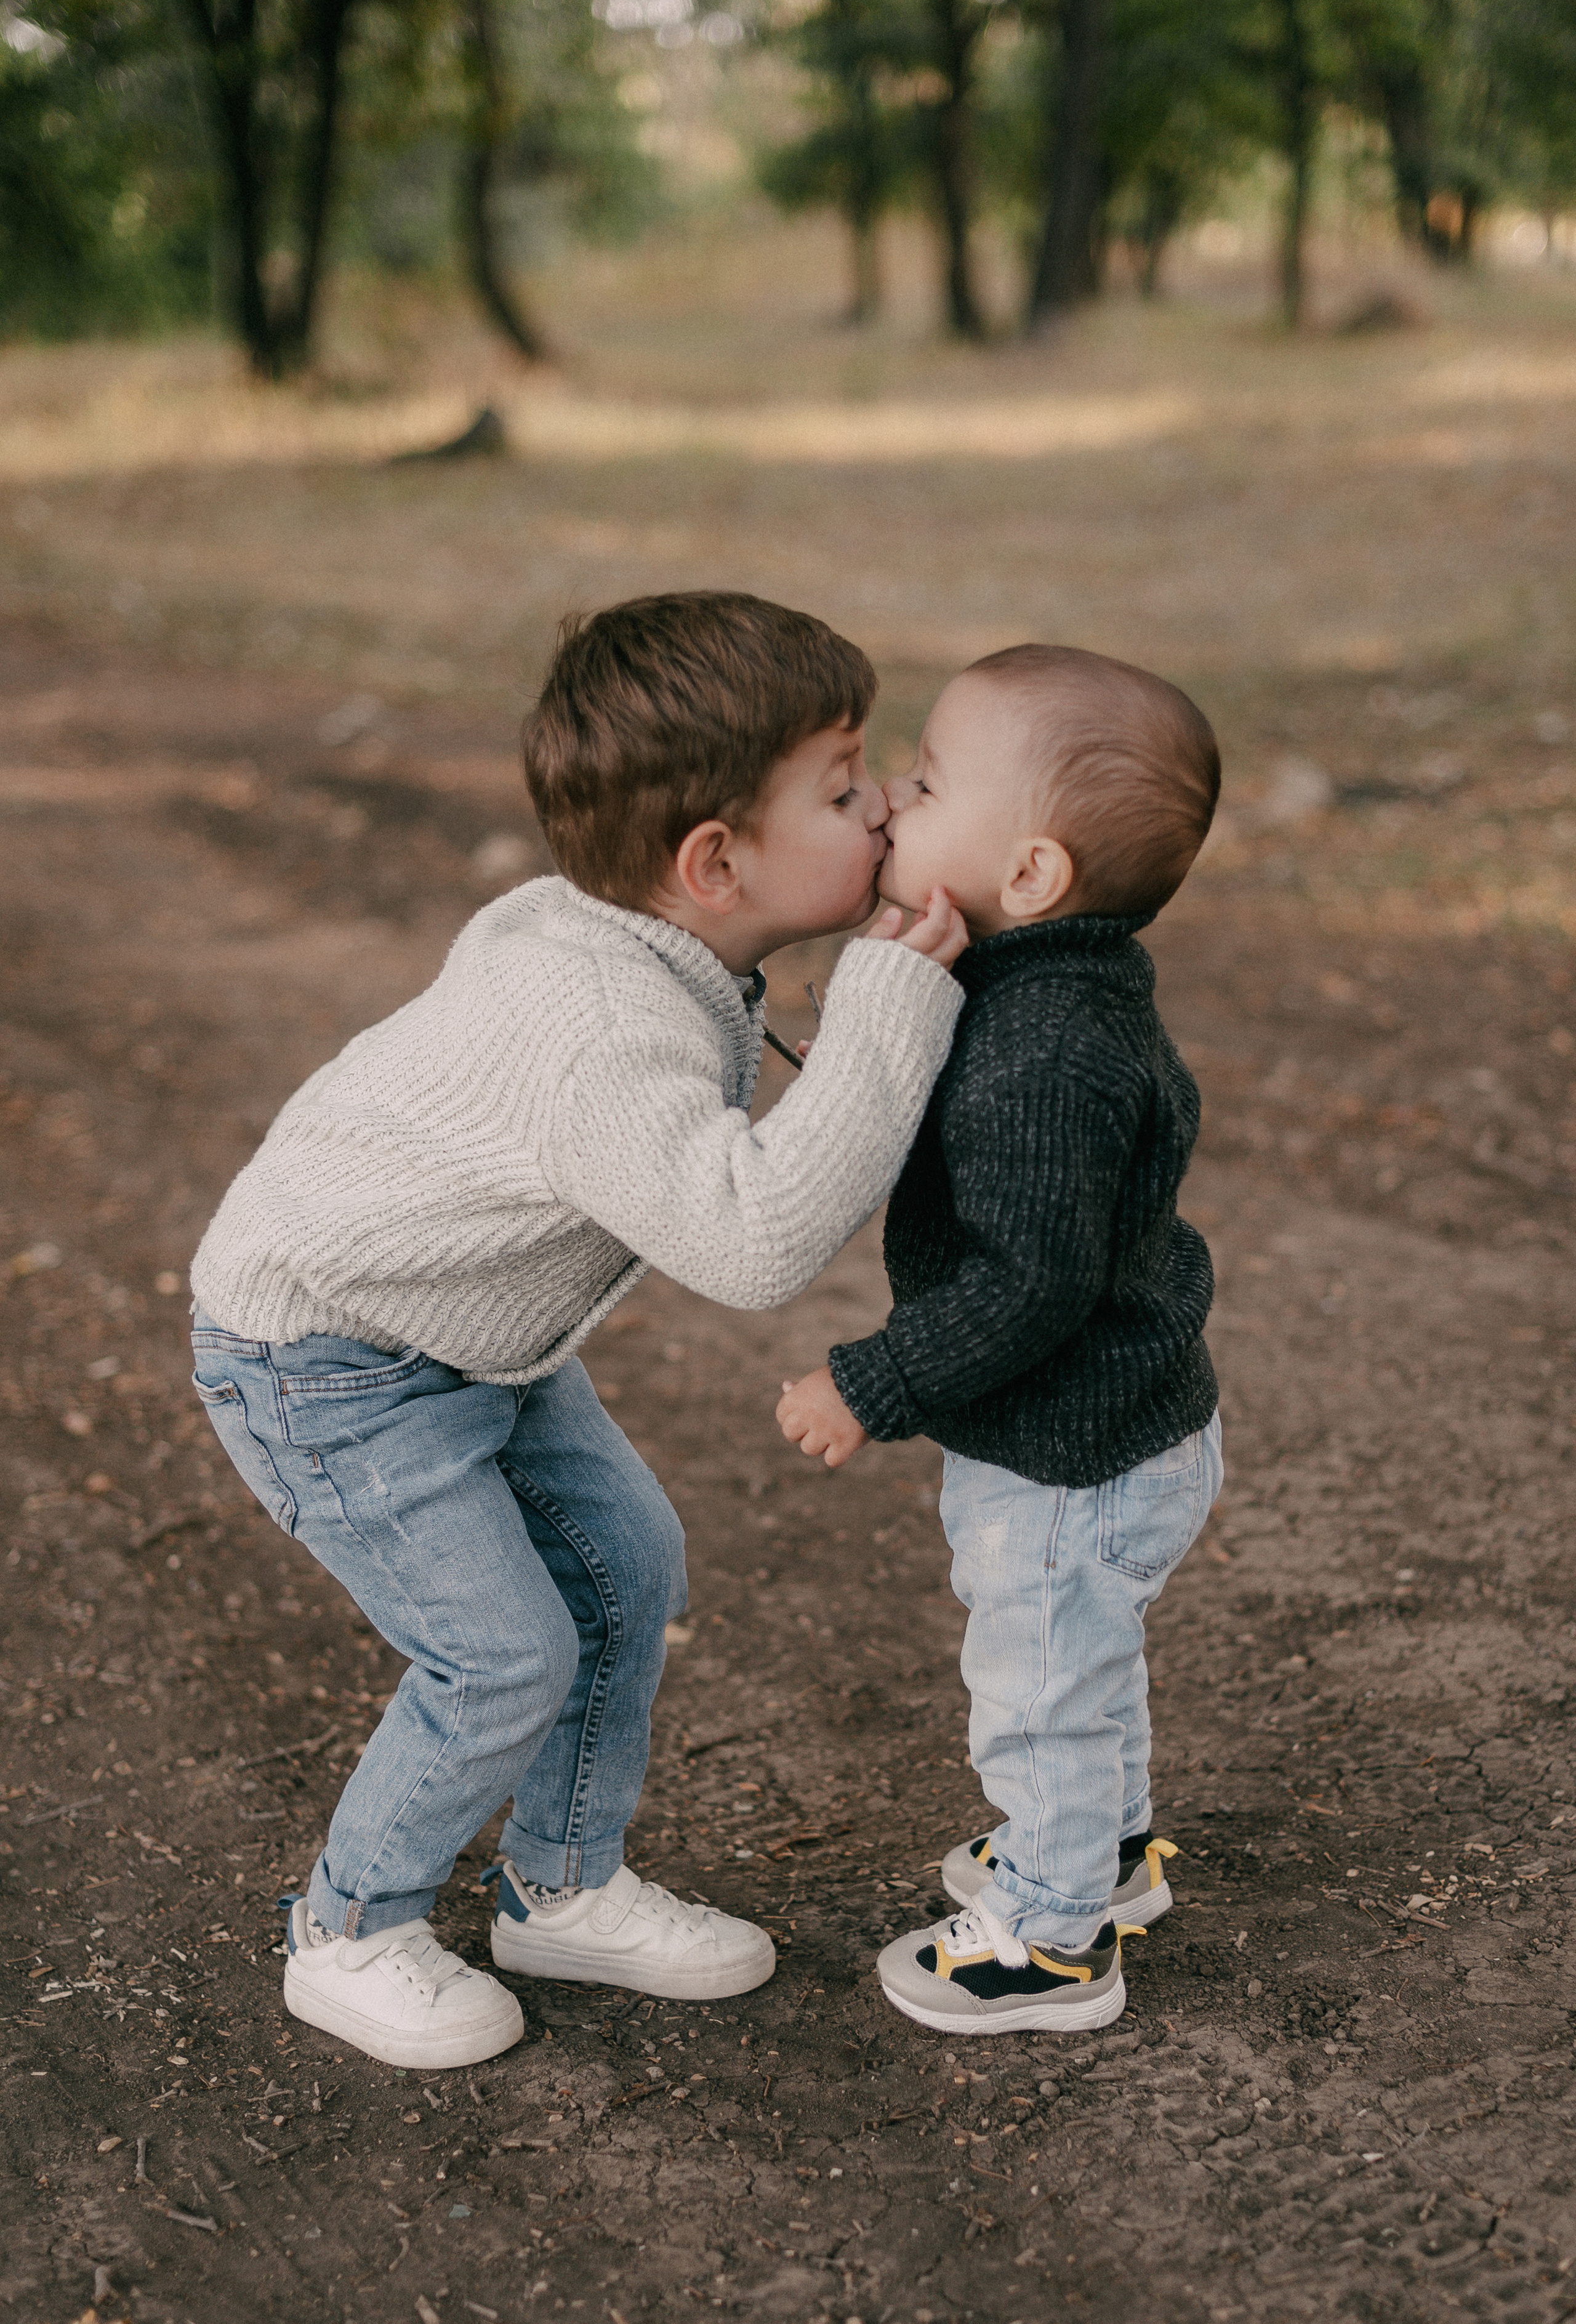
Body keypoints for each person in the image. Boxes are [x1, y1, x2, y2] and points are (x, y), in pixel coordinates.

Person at [188, 591, 967, 2070]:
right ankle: (349, 1926)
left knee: (625, 1569)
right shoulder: (597, 1025)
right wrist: (888, 1006)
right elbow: (751, 1240)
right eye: (845, 783)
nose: (880, 809)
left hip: (467, 1342)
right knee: (498, 1656)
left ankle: (558, 1885)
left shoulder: (636, 939)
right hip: (328, 1362)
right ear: (714, 861)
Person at [776, 642, 1224, 2036]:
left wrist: (869, 1380)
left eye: (921, 780)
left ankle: (1048, 1940)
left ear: (1028, 875)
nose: (893, 805)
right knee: (1082, 1664)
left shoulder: (1043, 1055)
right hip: (1118, 1424)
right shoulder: (1053, 990)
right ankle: (1101, 1854)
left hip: (1068, 1457)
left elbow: (1030, 1287)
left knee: (1037, 1690)